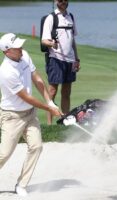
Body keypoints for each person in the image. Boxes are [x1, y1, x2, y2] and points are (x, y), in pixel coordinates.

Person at [0, 33, 62, 196]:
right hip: (12, 116)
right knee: (4, 154)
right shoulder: (6, 71)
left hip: (29, 114)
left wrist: (49, 101)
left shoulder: (24, 55)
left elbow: (36, 77)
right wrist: (49, 109)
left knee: (36, 146)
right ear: (7, 52)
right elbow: (26, 97)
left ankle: (21, 184)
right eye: (16, 47)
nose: (21, 48)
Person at [42, 0, 80, 125]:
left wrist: (77, 58)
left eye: (65, 0)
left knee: (66, 92)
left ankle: (65, 121)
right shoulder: (51, 18)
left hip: (70, 60)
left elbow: (72, 40)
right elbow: (44, 41)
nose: (63, 2)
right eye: (60, 0)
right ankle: (49, 124)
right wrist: (53, 43)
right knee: (52, 92)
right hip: (55, 59)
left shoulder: (71, 16)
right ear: (55, 1)